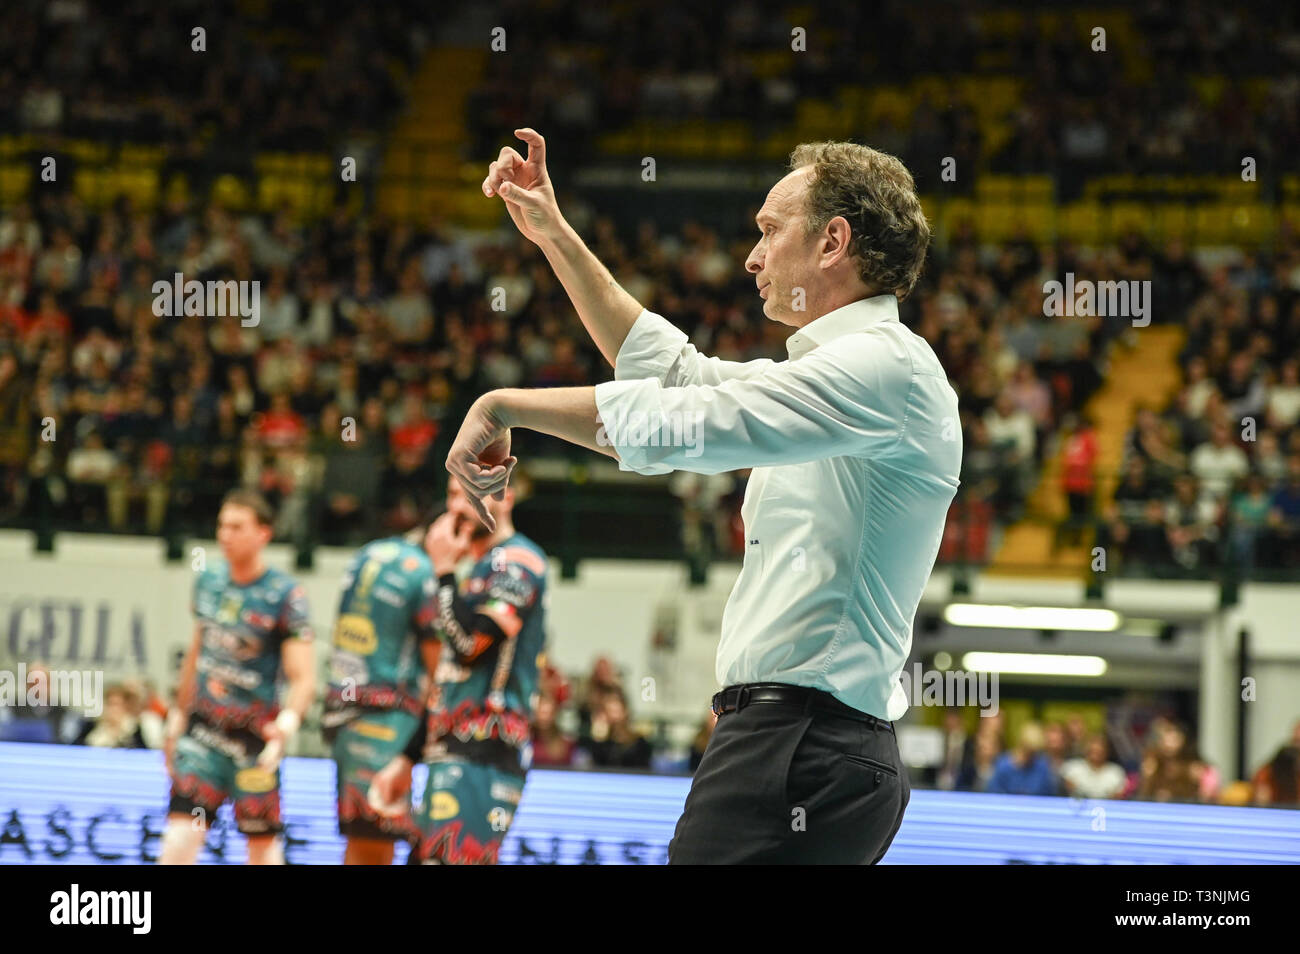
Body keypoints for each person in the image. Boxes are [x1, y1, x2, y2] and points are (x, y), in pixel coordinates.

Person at [452, 127, 958, 863]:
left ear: (832, 242)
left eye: (769, 231)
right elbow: (676, 376)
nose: (752, 257)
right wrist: (553, 234)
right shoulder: (846, 375)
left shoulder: (884, 370)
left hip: (803, 750)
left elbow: (682, 421)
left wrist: (505, 405)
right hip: (800, 747)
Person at [369, 476, 548, 864]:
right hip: (449, 750)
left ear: (507, 496)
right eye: (452, 494)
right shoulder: (475, 570)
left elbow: (470, 647)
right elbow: (449, 676)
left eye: (472, 493)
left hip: (485, 752)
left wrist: (444, 571)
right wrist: (408, 757)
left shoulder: (519, 561)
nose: (459, 506)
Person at [159, 489, 315, 865]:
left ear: (263, 533)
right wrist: (177, 719)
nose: (225, 535)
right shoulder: (208, 580)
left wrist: (287, 725)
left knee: (261, 848)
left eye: (236, 527)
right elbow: (196, 654)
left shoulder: (285, 594)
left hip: (254, 742)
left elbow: (303, 676)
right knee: (180, 839)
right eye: (221, 526)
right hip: (203, 734)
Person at [321, 521, 445, 864]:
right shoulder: (423, 572)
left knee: (363, 839)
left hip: (345, 711)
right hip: (385, 719)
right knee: (374, 843)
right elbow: (442, 674)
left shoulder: (369, 553)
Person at [1060, 732, 1126, 799]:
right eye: (1093, 751)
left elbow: (1118, 795)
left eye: (1099, 752)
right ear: (1086, 750)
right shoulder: (1072, 767)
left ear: (1107, 752)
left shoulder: (1116, 772)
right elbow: (1068, 789)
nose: (1096, 755)